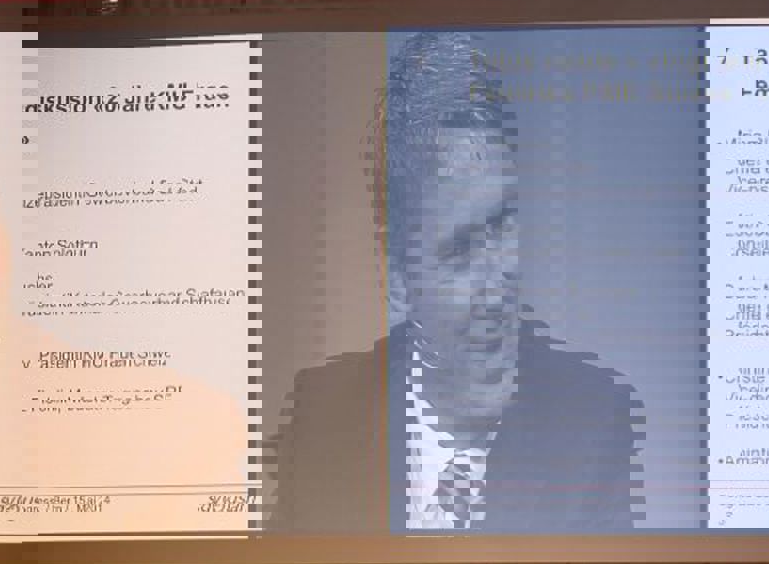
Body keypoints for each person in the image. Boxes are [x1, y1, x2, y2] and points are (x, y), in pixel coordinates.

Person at [266, 31, 644, 535]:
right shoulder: (320, 418)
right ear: (400, 278)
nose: (501, 277)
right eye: (461, 248)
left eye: (504, 223)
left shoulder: (594, 421)